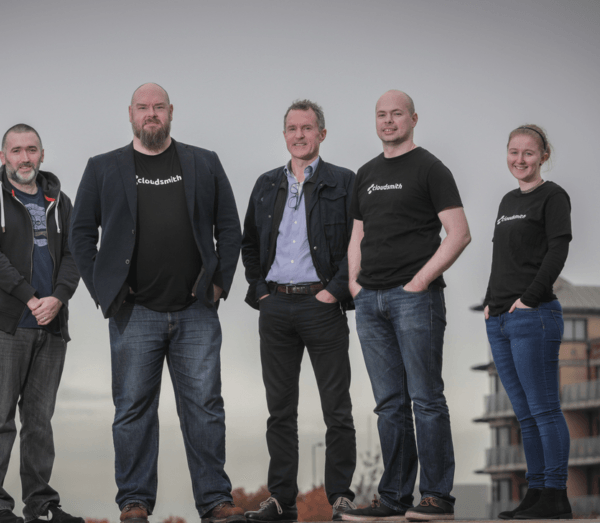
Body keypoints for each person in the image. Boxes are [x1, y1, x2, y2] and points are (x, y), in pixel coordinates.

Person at [69, 83, 243, 523]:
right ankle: (134, 503)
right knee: (132, 410)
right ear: (130, 114)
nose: (151, 114)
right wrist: (103, 291)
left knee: (205, 408)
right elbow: (80, 235)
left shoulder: (204, 162)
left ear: (171, 113)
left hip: (196, 311)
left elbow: (230, 227)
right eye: (143, 108)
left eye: (159, 107)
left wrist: (218, 285)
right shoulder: (103, 167)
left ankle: (215, 502)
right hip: (134, 313)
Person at [343, 90, 470, 522]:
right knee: (388, 404)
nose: (388, 121)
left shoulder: (431, 168)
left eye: (397, 114)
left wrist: (419, 281)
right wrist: (355, 285)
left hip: (415, 300)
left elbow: (459, 232)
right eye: (381, 115)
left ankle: (436, 498)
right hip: (370, 302)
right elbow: (357, 234)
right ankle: (394, 498)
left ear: (413, 118)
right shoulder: (366, 173)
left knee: (426, 398)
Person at [241, 100, 357, 523]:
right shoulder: (265, 184)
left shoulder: (344, 182)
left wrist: (334, 292)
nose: (299, 135)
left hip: (321, 305)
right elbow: (249, 243)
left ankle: (341, 497)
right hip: (275, 306)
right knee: (280, 410)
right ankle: (281, 500)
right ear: (285, 134)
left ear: (321, 134)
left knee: (336, 408)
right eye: (292, 128)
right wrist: (261, 293)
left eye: (307, 128)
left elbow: (355, 245)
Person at [0, 124, 81, 523]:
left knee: (39, 422)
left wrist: (58, 298)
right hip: (4, 324)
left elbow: (76, 254)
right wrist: (30, 297)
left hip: (50, 325)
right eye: (16, 150)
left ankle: (42, 505)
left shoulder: (60, 200)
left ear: (42, 154)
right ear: (3, 157)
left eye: (31, 150)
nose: (24, 158)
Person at [483, 125, 572, 520]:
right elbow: (502, 258)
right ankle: (536, 493)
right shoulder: (506, 200)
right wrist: (490, 303)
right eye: (514, 152)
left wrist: (528, 300)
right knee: (524, 413)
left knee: (545, 409)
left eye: (529, 153)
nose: (520, 160)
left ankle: (556, 494)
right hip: (500, 319)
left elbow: (557, 250)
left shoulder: (553, 196)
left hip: (533, 316)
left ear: (544, 155)